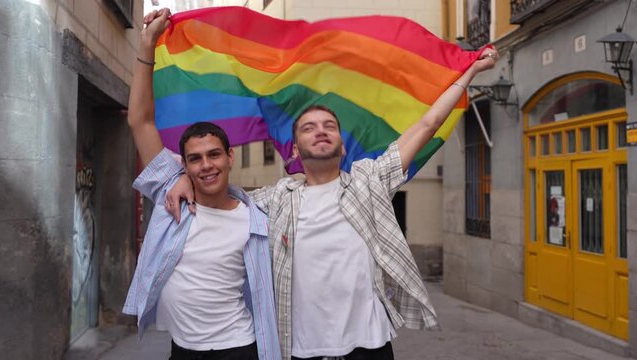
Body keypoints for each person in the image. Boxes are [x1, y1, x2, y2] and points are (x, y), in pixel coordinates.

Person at [167, 42, 500, 359]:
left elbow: (428, 124)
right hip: (299, 350)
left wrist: (468, 73)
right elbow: (220, 188)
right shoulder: (277, 200)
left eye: (329, 126)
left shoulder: (368, 182)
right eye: (309, 128)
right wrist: (184, 177)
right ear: (295, 151)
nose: (321, 130)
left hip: (369, 346)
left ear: (342, 146)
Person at [122, 8, 281, 360]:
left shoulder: (257, 218)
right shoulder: (172, 195)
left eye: (214, 155)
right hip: (184, 350)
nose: (206, 165)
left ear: (230, 158)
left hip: (239, 348)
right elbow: (140, 121)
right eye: (195, 158)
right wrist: (146, 47)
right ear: (185, 165)